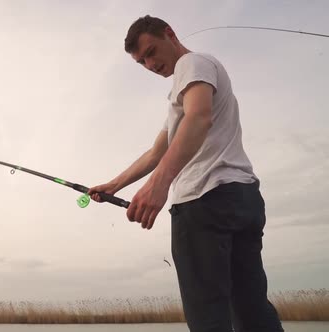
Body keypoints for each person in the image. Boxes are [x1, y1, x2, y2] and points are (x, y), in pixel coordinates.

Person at [88, 15, 284, 332]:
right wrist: (113, 184)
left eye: (151, 52)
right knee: (252, 309)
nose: (150, 64)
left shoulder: (192, 63)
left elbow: (199, 118)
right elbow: (156, 152)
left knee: (208, 315)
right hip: (242, 199)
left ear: (170, 34)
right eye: (141, 62)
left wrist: (159, 184)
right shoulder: (184, 89)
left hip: (204, 203)